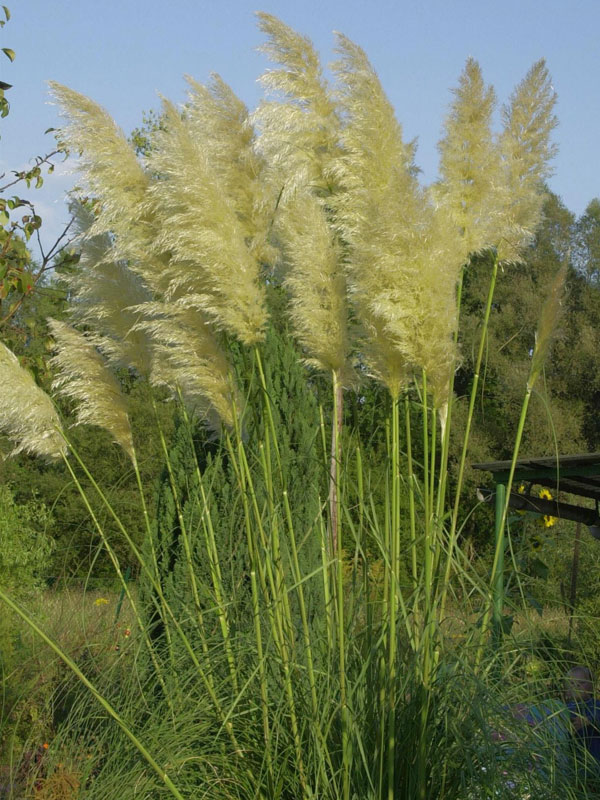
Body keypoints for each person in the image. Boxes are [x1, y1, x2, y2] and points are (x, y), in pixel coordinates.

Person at [565, 665, 600, 781]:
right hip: (574, 763)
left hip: (595, 761)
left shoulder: (596, 705)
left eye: (582, 683)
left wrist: (590, 721)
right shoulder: (564, 709)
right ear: (567, 689)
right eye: (572, 684)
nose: (577, 687)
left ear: (591, 685)